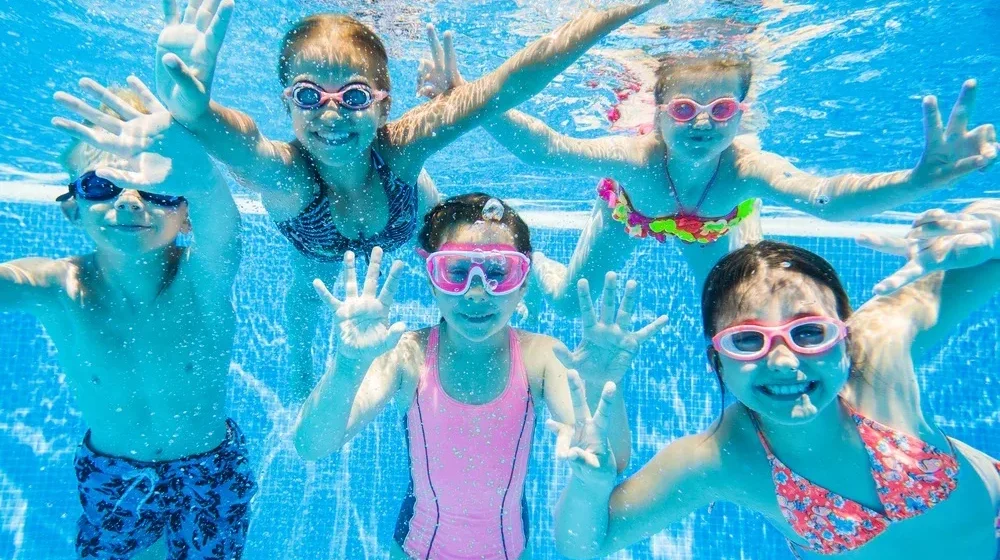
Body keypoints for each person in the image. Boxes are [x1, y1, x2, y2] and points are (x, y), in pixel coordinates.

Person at [152, 0, 668, 397]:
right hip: (318, 247)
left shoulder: (399, 150)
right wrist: (195, 110)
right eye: (309, 95)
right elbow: (242, 144)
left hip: (411, 212)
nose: (331, 114)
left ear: (383, 105)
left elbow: (507, 84)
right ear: (287, 103)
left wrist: (620, 10)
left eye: (353, 96)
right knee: (306, 294)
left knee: (455, 246)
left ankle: (512, 274)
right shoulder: (290, 177)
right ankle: (300, 364)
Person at [417, 37, 999, 315]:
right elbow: (549, 150)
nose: (701, 124)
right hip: (631, 215)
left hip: (718, 226)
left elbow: (822, 198)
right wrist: (469, 99)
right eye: (684, 110)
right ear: (658, 112)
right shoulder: (637, 160)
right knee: (570, 304)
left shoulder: (745, 168)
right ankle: (530, 264)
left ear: (741, 114)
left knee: (741, 310)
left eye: (720, 110)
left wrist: (916, 181)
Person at [547, 202, 1000, 559]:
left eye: (808, 333)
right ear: (718, 360)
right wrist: (589, 486)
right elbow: (583, 545)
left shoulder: (882, 343)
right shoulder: (723, 458)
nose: (784, 362)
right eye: (748, 341)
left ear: (845, 334)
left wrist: (992, 227)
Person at [293, 193, 667, 559]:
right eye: (456, 271)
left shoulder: (542, 358)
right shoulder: (407, 355)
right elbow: (312, 445)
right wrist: (348, 365)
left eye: (498, 273)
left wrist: (601, 386)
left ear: (523, 283)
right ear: (431, 280)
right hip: (415, 550)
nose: (476, 293)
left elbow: (609, 457)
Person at [1, 76, 256, 558]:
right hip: (114, 474)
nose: (130, 200)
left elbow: (224, 221)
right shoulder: (58, 287)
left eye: (158, 188)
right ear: (73, 208)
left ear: (186, 213)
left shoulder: (203, 278)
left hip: (209, 468)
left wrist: (187, 151)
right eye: (101, 186)